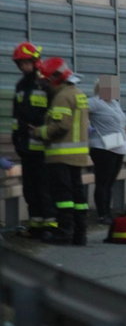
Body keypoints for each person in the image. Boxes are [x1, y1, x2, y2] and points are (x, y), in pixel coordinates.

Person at [29, 57, 90, 246]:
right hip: (78, 155)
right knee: (78, 197)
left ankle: (65, 233)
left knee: (63, 197)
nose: (45, 84)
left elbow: (61, 125)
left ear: (55, 78)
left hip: (61, 155)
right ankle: (80, 234)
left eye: (46, 80)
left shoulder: (62, 96)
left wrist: (39, 132)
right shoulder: (78, 93)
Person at [11, 42, 56, 238]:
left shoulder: (46, 84)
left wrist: (41, 129)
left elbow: (54, 114)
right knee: (30, 189)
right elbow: (16, 115)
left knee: (44, 187)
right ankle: (36, 225)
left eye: (26, 63)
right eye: (20, 64)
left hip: (45, 147)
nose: (23, 67)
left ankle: (51, 225)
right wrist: (16, 138)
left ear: (35, 61)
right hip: (25, 146)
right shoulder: (21, 85)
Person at [88, 75, 126, 224]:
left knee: (110, 182)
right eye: (111, 88)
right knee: (103, 182)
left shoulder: (114, 104)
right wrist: (87, 128)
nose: (114, 91)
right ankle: (102, 214)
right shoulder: (94, 102)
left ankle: (107, 212)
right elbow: (79, 113)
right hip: (102, 147)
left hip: (117, 146)